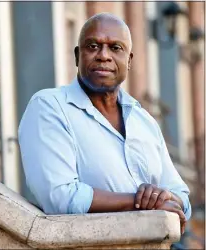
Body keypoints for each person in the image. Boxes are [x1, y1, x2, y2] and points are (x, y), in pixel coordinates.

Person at [18, 13, 191, 234]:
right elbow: (61, 197)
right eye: (93, 46)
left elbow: (182, 198)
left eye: (115, 48)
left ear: (129, 61)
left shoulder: (143, 120)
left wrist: (164, 197)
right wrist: (143, 203)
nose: (103, 56)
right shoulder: (49, 107)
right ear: (77, 56)